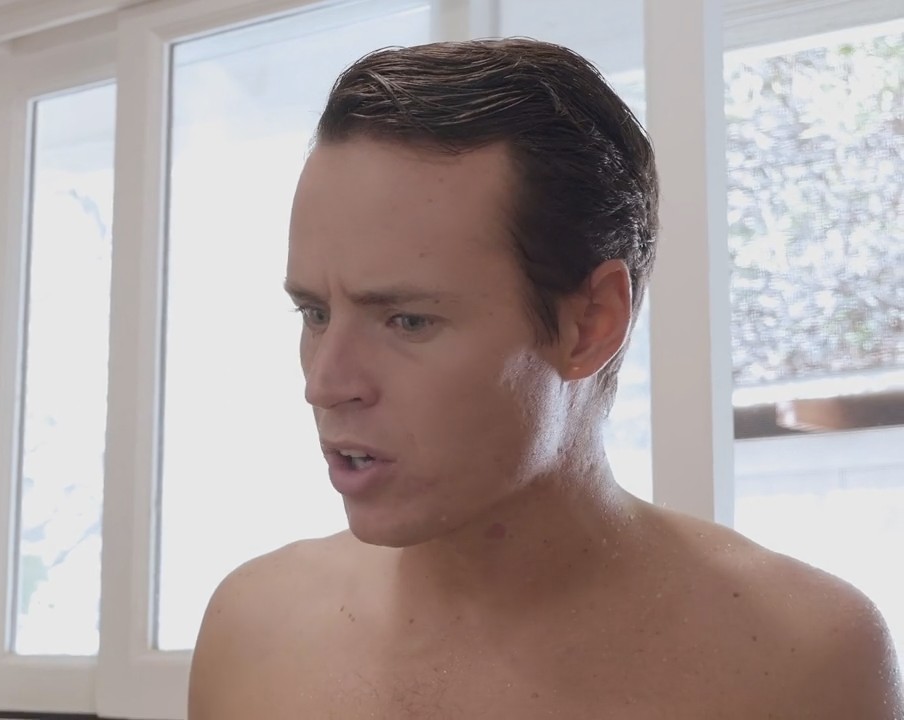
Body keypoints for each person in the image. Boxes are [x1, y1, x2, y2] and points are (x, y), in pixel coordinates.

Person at [186, 38, 903, 718]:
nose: (325, 383)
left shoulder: (803, 660)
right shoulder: (251, 635)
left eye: (407, 320)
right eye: (314, 313)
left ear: (591, 323)